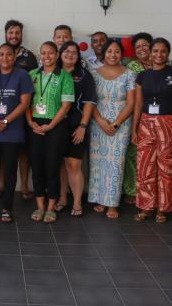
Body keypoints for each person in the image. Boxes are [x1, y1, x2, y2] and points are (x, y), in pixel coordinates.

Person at [0, 19, 38, 200]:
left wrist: (8, 120)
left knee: (21, 153)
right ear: (6, 34)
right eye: (11, 33)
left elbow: (32, 85)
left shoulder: (29, 56)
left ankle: (22, 186)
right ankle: (0, 185)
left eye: (17, 33)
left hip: (18, 118)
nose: (14, 36)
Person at [0, 43, 33, 223]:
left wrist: (5, 121)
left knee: (10, 171)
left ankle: (6, 208)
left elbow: (24, 103)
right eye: (1, 55)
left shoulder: (23, 76)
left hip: (13, 132)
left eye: (9, 55)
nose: (5, 58)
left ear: (14, 57)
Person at [131, 38, 172, 223]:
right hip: (145, 124)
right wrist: (134, 129)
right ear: (150, 53)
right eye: (155, 51)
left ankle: (163, 208)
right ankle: (145, 207)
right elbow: (137, 104)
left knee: (167, 169)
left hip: (169, 124)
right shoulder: (142, 76)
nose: (159, 54)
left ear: (168, 54)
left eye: (163, 51)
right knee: (145, 167)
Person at [26, 42, 74, 223]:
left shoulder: (64, 76)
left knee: (52, 167)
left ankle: (51, 207)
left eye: (50, 53)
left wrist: (52, 125)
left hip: (56, 125)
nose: (47, 56)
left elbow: (66, 105)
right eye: (43, 53)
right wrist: (30, 122)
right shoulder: (32, 75)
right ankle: (39, 206)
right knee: (37, 166)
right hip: (35, 125)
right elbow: (25, 102)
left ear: (57, 55)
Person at [88, 39, 136, 219]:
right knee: (98, 163)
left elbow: (131, 103)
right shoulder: (93, 74)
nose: (113, 55)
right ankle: (100, 199)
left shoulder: (129, 74)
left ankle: (112, 203)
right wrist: (100, 121)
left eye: (117, 52)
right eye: (109, 52)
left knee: (116, 164)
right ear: (104, 53)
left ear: (121, 54)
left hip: (120, 125)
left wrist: (115, 123)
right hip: (97, 123)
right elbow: (90, 100)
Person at [56, 41, 97, 217]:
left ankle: (78, 203)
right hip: (56, 125)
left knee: (73, 164)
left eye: (74, 52)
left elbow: (89, 103)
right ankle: (62, 198)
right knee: (60, 164)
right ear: (60, 53)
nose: (70, 54)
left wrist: (82, 126)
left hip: (76, 126)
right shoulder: (53, 72)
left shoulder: (84, 75)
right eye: (67, 51)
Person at [123, 32, 153, 205]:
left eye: (144, 45)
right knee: (133, 156)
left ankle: (149, 193)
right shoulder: (132, 67)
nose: (141, 49)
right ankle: (131, 192)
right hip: (135, 115)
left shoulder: (162, 66)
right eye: (138, 47)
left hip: (157, 117)